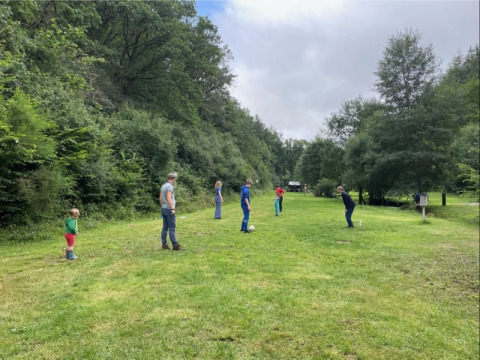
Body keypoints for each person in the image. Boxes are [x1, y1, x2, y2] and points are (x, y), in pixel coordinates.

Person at [159, 173, 185, 250]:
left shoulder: (163, 186)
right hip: (169, 209)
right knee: (172, 227)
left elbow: (160, 198)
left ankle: (164, 244)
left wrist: (162, 206)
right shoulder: (170, 186)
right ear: (173, 178)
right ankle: (175, 245)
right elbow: (168, 197)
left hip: (163, 208)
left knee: (165, 227)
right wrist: (172, 209)